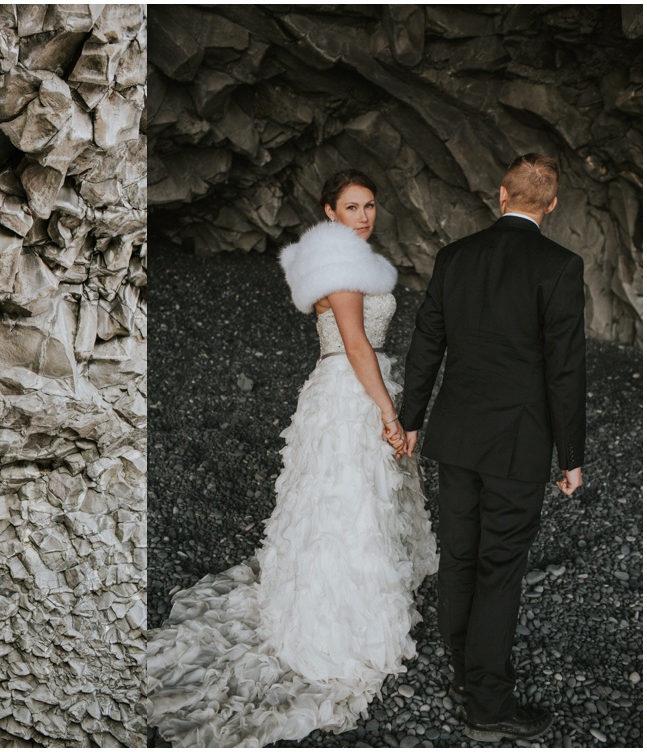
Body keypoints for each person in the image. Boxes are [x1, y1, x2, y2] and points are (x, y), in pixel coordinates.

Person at [146, 170, 438, 747]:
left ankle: (348, 585)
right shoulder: (342, 264)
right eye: (352, 206)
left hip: (349, 385)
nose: (364, 215)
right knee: (348, 500)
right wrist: (388, 412)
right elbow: (356, 344)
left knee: (347, 499)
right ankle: (343, 617)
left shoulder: (339, 260)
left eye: (370, 205)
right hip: (356, 389)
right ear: (329, 211)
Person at [399, 153, 586, 743]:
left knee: (459, 557)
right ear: (551, 206)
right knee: (499, 570)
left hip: (455, 435)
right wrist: (571, 457)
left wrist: (410, 421)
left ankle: (462, 676)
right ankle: (487, 704)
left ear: (501, 193)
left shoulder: (456, 257)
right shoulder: (560, 266)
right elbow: (566, 370)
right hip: (518, 443)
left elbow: (427, 343)